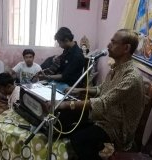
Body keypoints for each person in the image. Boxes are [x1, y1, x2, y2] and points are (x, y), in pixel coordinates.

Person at [56, 29, 144, 160]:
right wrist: (81, 90)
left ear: (126, 48)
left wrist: (66, 104)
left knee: (78, 140)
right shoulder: (116, 68)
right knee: (67, 124)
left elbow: (103, 102)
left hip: (116, 129)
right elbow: (102, 89)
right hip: (103, 119)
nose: (108, 46)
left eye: (113, 43)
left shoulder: (131, 77)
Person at [37, 27, 86, 92]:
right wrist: (55, 59)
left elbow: (64, 76)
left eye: (59, 43)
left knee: (42, 90)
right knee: (50, 59)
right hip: (59, 81)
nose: (60, 46)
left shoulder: (77, 56)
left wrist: (48, 77)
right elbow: (61, 62)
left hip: (67, 85)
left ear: (66, 40)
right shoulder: (67, 50)